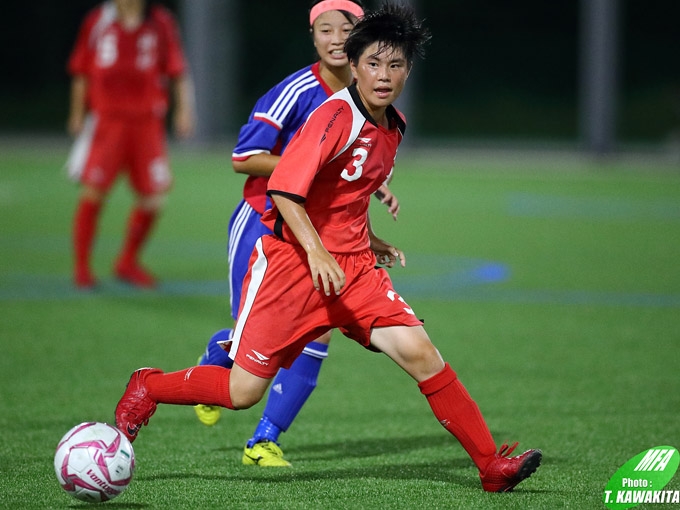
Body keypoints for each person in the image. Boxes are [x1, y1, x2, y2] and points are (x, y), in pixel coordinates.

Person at [115, 2, 542, 493]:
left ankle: (491, 466)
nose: (384, 75)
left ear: (407, 69)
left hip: (355, 272)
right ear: (355, 65)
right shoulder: (334, 114)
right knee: (242, 391)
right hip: (292, 269)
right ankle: (148, 386)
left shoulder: (393, 125)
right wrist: (318, 252)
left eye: (395, 64)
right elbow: (284, 190)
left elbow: (346, 194)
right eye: (373, 64)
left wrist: (369, 239)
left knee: (421, 354)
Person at [193, 0, 400, 467]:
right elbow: (243, 158)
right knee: (259, 341)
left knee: (316, 332)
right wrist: (308, 165)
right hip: (262, 223)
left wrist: (374, 187)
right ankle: (215, 359)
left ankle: (264, 439)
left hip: (316, 235)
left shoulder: (366, 96)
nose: (334, 38)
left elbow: (347, 174)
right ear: (312, 38)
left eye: (344, 29)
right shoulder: (297, 90)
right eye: (323, 30)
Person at [66, 0, 195, 289]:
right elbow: (81, 70)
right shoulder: (98, 20)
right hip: (108, 121)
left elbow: (177, 69)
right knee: (94, 191)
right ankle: (82, 267)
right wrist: (77, 113)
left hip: (147, 122)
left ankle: (126, 261)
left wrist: (185, 110)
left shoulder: (161, 21)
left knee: (154, 198)